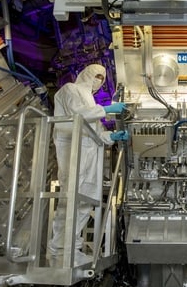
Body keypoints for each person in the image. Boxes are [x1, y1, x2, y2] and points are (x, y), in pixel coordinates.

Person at [50, 64, 128, 264]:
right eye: (96, 75)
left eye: (102, 78)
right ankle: (59, 252)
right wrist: (107, 109)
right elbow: (80, 114)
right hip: (74, 152)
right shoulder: (70, 90)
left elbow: (96, 132)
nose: (99, 81)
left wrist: (113, 135)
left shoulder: (90, 100)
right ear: (86, 74)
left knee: (84, 204)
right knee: (71, 201)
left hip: (91, 157)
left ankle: (72, 250)